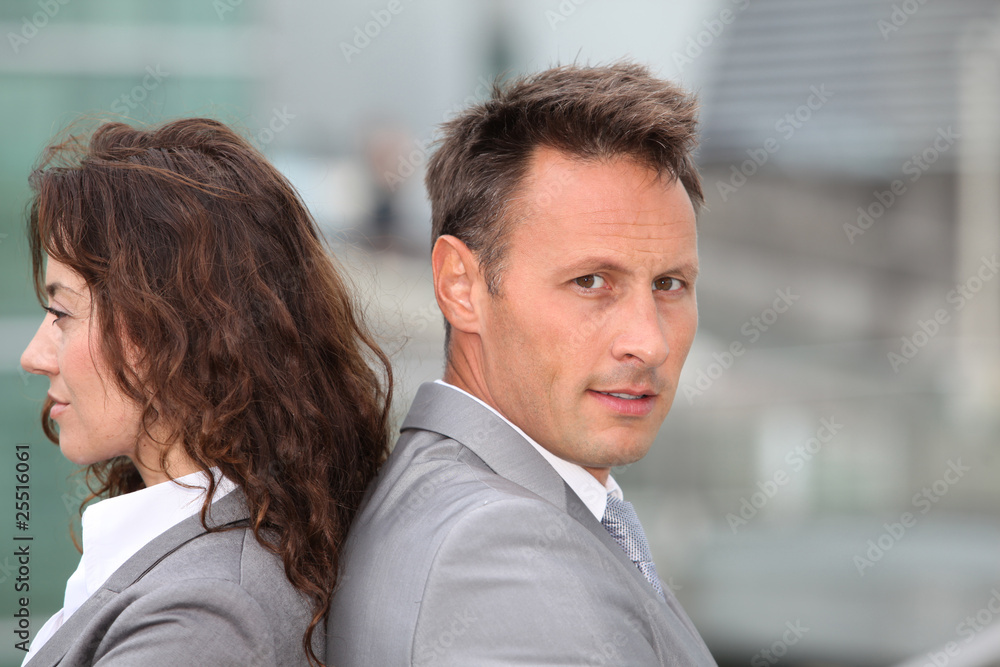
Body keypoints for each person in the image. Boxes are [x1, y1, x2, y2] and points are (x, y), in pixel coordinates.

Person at [327, 62, 717, 665]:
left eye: (669, 284)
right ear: (460, 286)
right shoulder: (496, 553)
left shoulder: (492, 507)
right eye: (591, 282)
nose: (650, 343)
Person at [19, 118, 392, 667]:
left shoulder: (203, 619)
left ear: (169, 330)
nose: (33, 356)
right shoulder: (205, 563)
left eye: (61, 313)